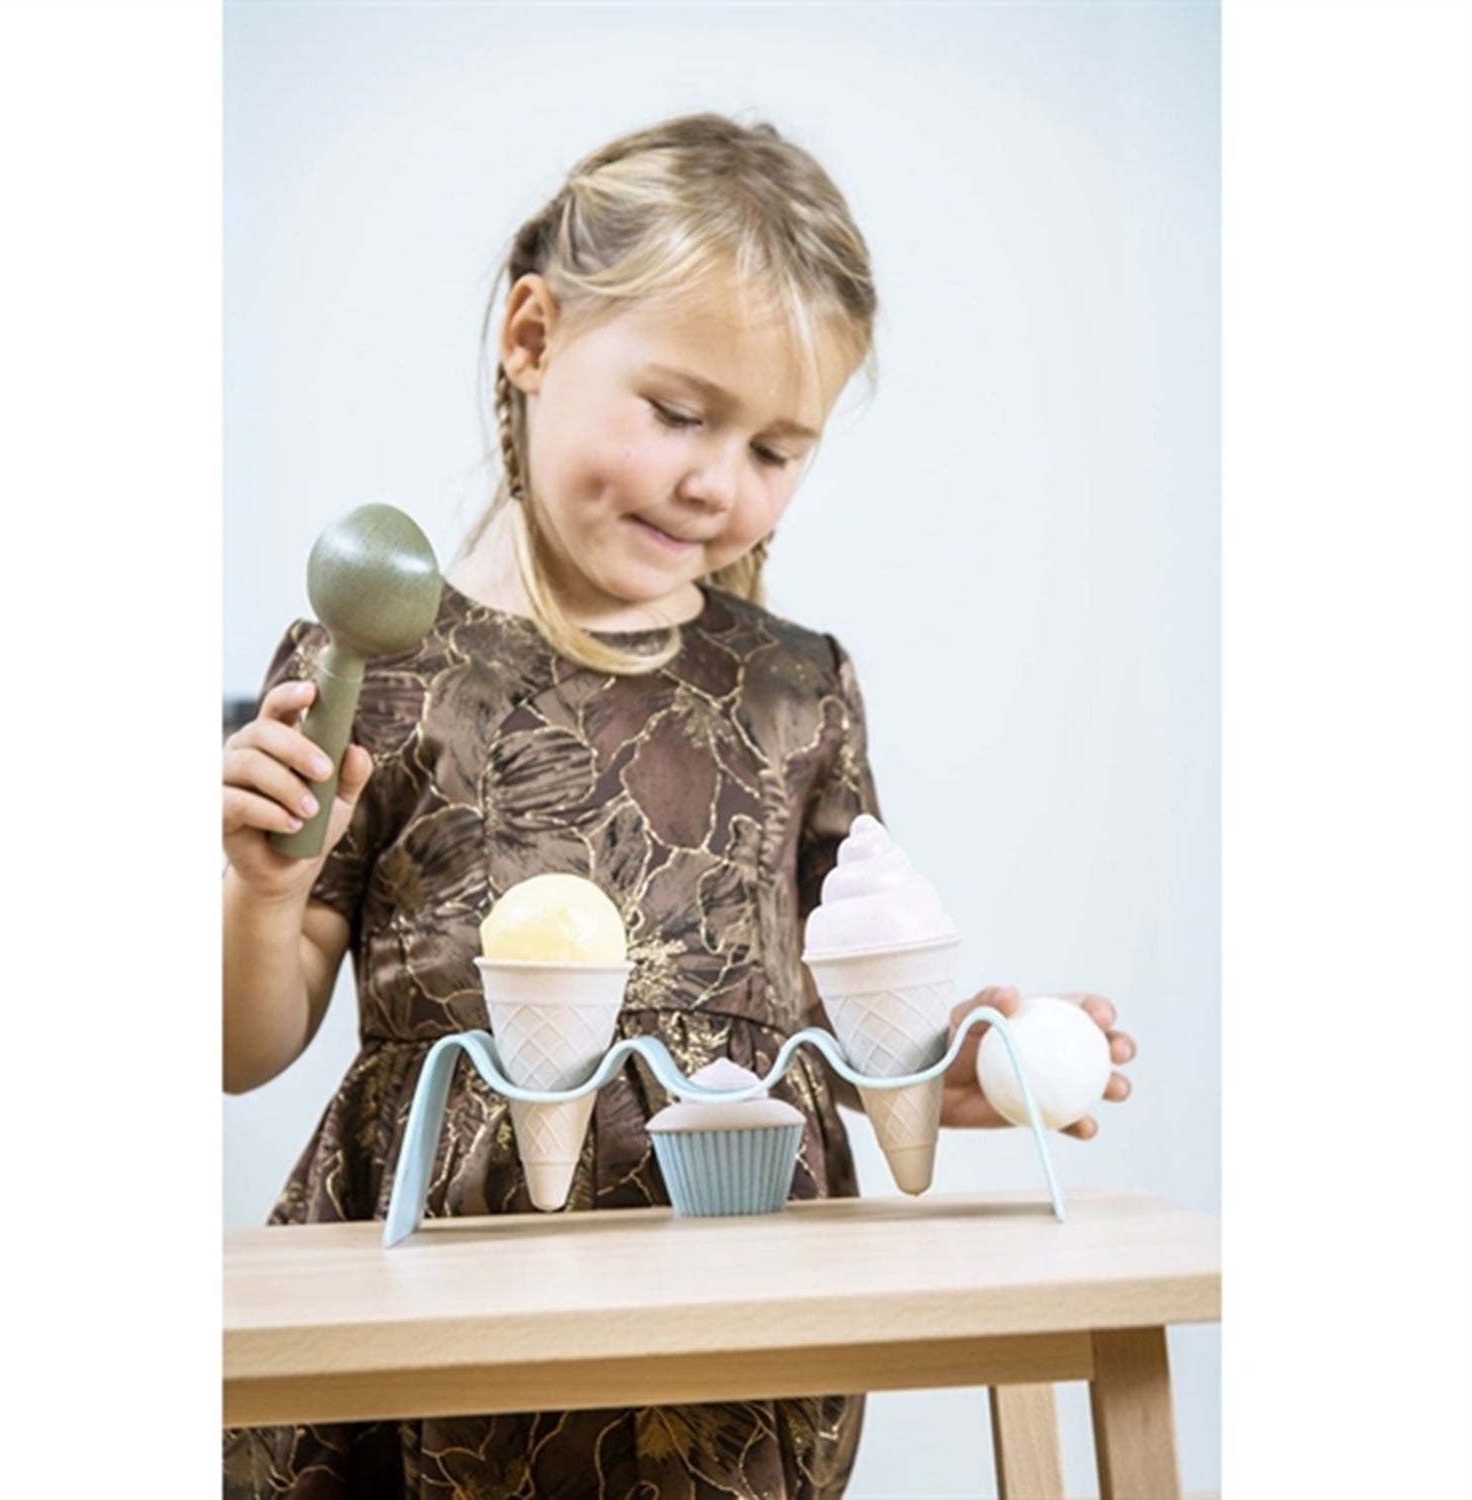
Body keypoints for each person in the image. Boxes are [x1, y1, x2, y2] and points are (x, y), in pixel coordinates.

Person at [222, 112, 1136, 1500]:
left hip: (732, 1307)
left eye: (777, 449)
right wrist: (262, 890)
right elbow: (246, 1046)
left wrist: (927, 1068)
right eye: (678, 413)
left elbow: (817, 1007)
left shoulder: (797, 691)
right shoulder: (378, 666)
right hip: (439, 1323)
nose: (719, 483)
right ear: (532, 338)